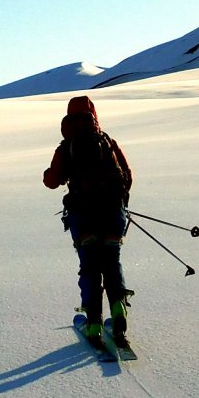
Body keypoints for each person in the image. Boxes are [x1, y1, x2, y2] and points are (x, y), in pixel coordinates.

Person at [41, 96, 134, 345]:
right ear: (93, 115)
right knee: (112, 263)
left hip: (83, 215)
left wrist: (49, 174)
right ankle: (118, 309)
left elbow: (52, 181)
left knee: (90, 268)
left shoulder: (67, 147)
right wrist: (120, 201)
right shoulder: (107, 142)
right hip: (113, 211)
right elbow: (127, 176)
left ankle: (93, 324)